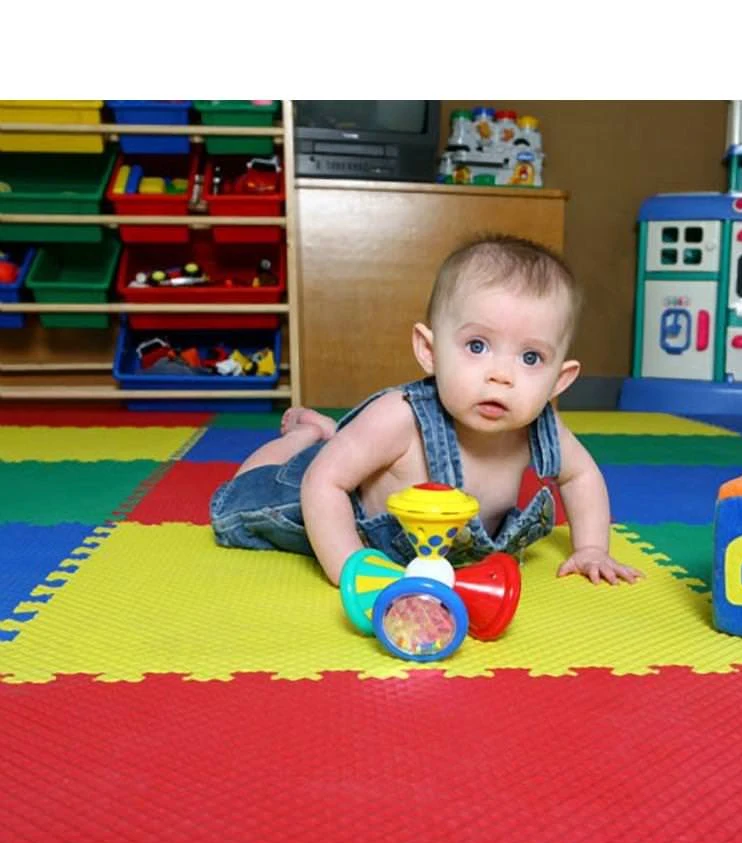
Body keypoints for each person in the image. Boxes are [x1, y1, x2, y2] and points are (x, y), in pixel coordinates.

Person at [210, 233, 643, 588]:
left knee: (338, 453)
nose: (501, 375)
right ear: (429, 352)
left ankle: (328, 434)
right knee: (238, 500)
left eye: (531, 358)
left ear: (559, 380)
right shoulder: (400, 417)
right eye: (477, 346)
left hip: (423, 548)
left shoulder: (542, 428)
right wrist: (350, 568)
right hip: (309, 499)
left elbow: (581, 476)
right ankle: (303, 436)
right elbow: (323, 481)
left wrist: (591, 548)